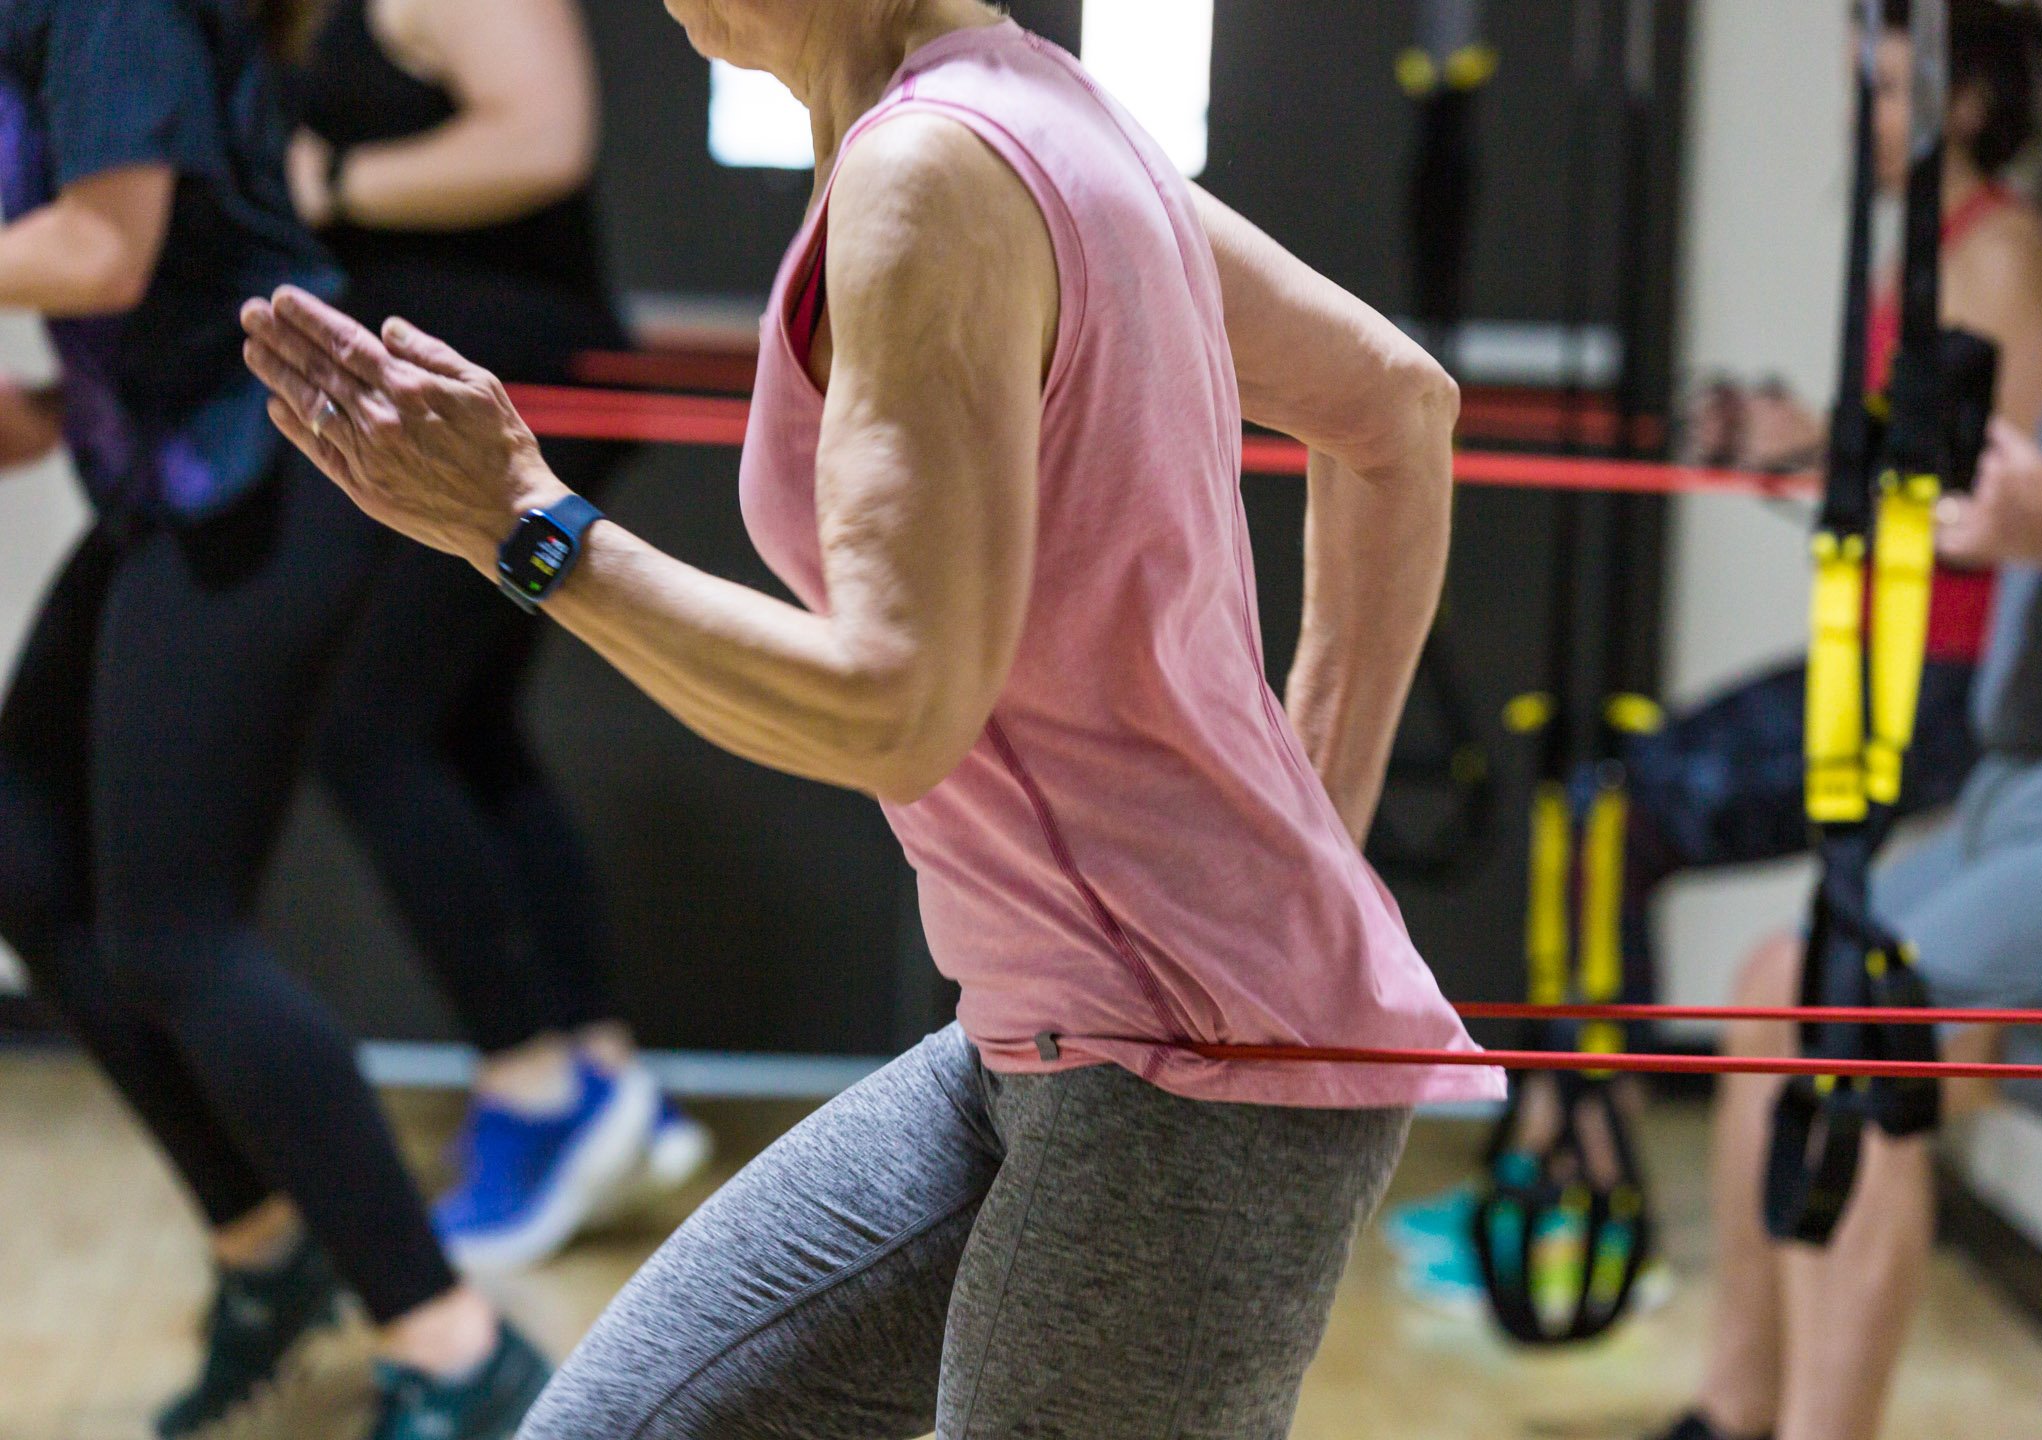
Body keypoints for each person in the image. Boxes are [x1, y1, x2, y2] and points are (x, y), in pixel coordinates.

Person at [241, 0, 1503, 1430]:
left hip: (1179, 1085)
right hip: (1068, 1036)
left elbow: (894, 711)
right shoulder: (1032, 116)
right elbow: (1396, 406)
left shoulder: (935, 173)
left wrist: (528, 527)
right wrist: (1295, 873)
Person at [1383, 0, 2042, 1312]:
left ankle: (1587, 1169)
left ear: (1969, 98)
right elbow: (1906, 464)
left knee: (1617, 807)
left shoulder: (2000, 250)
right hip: (1884, 663)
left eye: (1889, 92)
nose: (1866, 119)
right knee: (1598, 802)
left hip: (1939, 686)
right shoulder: (1928, 248)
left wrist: (1815, 440)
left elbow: (2005, 491)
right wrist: (1800, 440)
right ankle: (1568, 1149)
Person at [0, 3, 549, 1436]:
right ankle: (267, 1249)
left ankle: (458, 1348)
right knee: (23, 847)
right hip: (172, 469)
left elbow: (102, 249)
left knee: (175, 934)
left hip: (269, 466)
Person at [1657, 7, 2042, 1439]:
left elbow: (2038, 509)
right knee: (1777, 982)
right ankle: (1733, 1414)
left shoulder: (2008, 249)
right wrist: (1817, 445)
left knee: (1867, 1029)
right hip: (2037, 785)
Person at [265, 0, 711, 1276]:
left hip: (513, 393)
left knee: (368, 730)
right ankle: (602, 1077)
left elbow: (542, 138)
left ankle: (535, 1089)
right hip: (458, 391)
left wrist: (331, 183)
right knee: (460, 726)